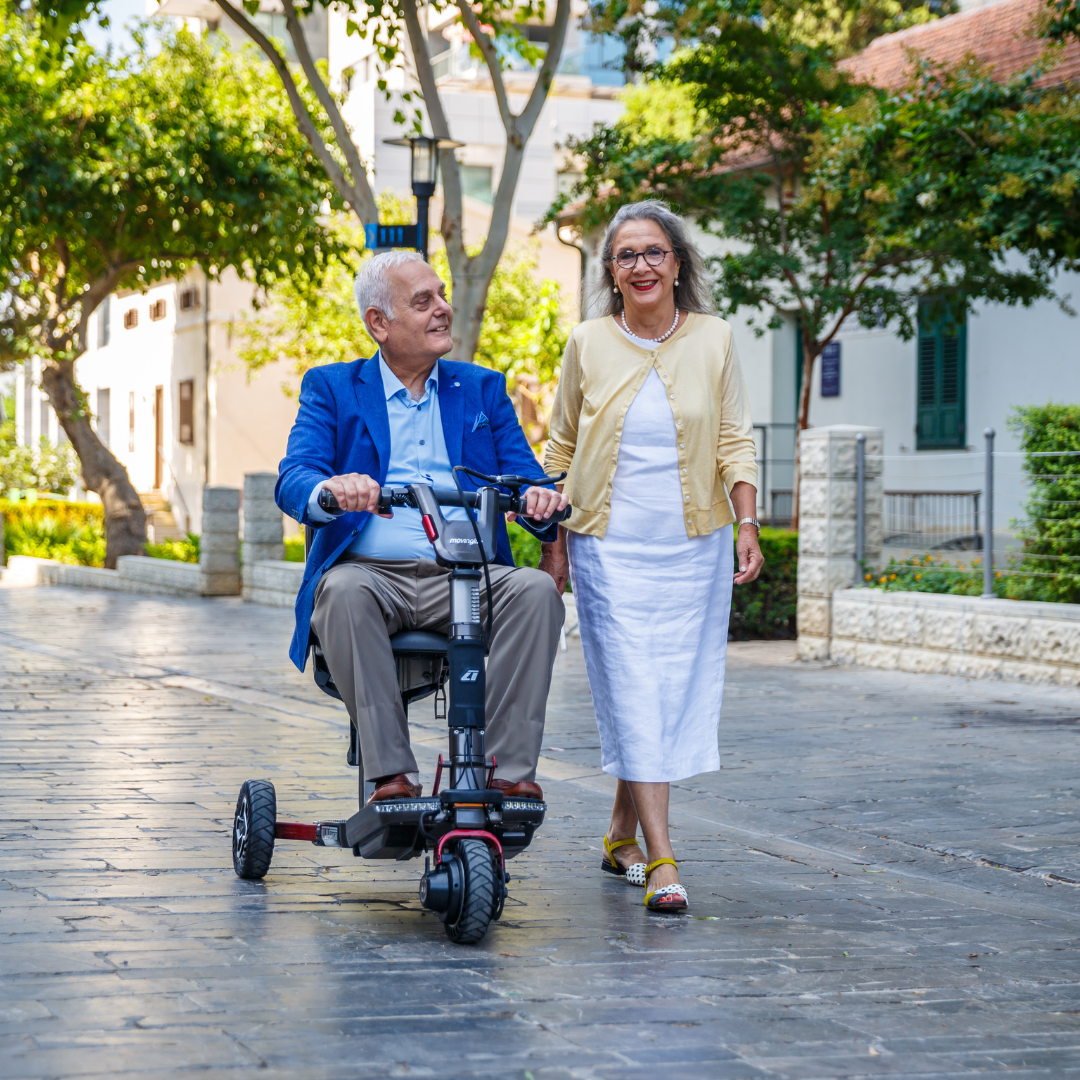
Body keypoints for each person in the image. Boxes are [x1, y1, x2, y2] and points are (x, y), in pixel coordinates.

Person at [276, 251, 568, 803]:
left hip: (468, 575)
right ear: (378, 324)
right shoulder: (333, 388)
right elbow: (295, 476)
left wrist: (539, 499)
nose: (443, 309)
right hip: (372, 576)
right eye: (423, 301)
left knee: (533, 592)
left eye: (442, 295)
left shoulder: (480, 389)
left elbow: (529, 479)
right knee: (340, 591)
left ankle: (506, 772)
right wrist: (331, 490)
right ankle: (390, 775)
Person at [542, 201, 763, 913]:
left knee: (666, 690)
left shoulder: (715, 339)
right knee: (634, 685)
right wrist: (556, 548)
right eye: (626, 255)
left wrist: (749, 521)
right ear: (609, 272)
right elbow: (560, 449)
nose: (641, 265)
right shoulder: (587, 342)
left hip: (694, 545)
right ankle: (662, 860)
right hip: (608, 544)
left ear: (677, 264)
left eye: (654, 252)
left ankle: (618, 833)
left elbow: (734, 437)